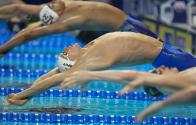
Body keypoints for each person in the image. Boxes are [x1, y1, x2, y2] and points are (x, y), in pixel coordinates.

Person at [5, 32, 196, 106]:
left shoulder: (86, 49)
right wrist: (24, 95)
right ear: (74, 63)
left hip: (168, 52)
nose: (64, 50)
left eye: (62, 53)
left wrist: (29, 89)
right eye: (65, 55)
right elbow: (56, 79)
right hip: (171, 58)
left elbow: (55, 72)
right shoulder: (91, 61)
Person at [0, 0, 158, 57]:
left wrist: (4, 49)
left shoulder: (70, 21)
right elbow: (18, 8)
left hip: (129, 30)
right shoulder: (59, 5)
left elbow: (31, 34)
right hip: (119, 27)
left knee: (159, 51)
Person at [119, 67, 196, 123]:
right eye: (159, 72)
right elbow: (192, 92)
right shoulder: (188, 79)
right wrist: (161, 105)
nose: (163, 67)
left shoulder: (186, 75)